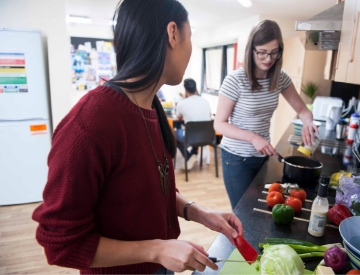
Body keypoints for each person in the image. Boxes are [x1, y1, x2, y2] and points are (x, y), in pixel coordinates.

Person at [32, 0, 243, 274]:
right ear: (173, 34)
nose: (190, 50)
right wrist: (157, 249)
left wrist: (198, 212)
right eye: (190, 38)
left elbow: (151, 190)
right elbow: (61, 244)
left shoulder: (149, 106)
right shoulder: (91, 123)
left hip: (160, 265)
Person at [214, 20, 319, 209]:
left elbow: (303, 110)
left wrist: (308, 122)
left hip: (262, 156)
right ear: (251, 50)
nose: (268, 58)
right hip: (236, 159)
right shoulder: (235, 80)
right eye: (262, 52)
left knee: (259, 208)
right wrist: (253, 137)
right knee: (244, 213)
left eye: (274, 52)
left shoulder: (280, 78)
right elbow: (219, 124)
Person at [175, 78, 211, 170]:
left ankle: (190, 156)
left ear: (186, 91)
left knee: (173, 135)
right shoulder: (205, 102)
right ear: (196, 89)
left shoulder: (181, 104)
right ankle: (194, 154)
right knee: (194, 131)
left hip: (192, 136)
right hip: (208, 136)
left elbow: (179, 117)